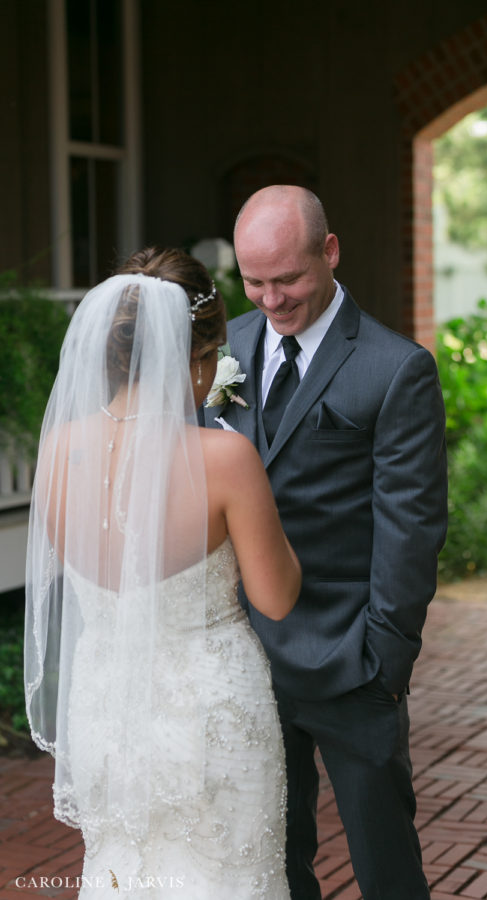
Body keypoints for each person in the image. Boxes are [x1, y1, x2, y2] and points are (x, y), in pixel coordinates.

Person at [24, 248, 301, 899]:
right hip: (211, 716)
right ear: (200, 354)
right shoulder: (225, 459)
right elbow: (277, 597)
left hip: (105, 711)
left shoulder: (60, 448)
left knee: (124, 871)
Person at [203, 186, 448, 899]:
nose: (270, 300)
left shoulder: (395, 367)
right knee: (275, 860)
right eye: (254, 282)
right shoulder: (226, 350)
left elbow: (412, 523)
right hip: (247, 656)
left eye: (288, 279)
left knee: (386, 868)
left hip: (352, 660)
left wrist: (386, 655)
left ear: (330, 252)